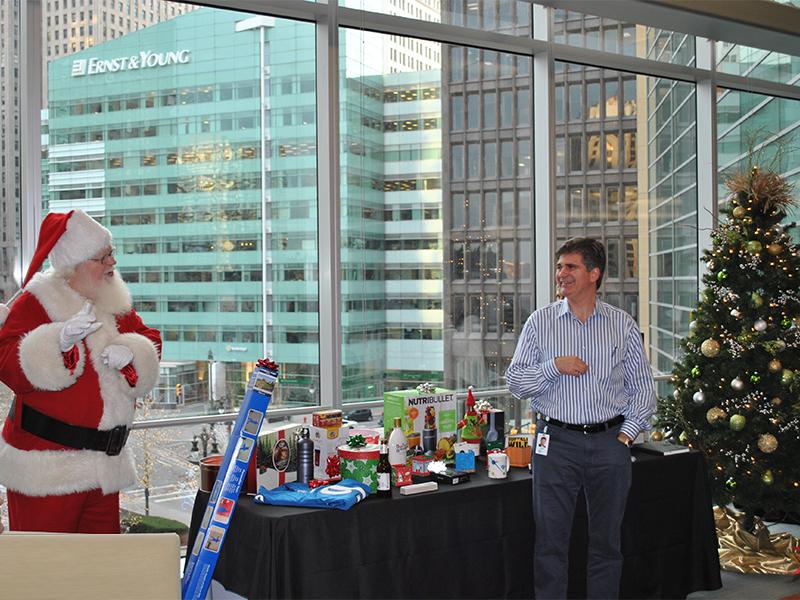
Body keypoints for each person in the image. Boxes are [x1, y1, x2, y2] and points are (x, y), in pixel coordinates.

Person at [506, 237, 655, 599]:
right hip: (555, 444)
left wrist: (625, 436)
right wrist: (553, 367)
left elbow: (643, 389)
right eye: (559, 267)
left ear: (594, 273)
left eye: (570, 267)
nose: (561, 274)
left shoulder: (621, 325)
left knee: (606, 543)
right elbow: (515, 383)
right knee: (550, 544)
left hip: (610, 443)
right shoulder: (540, 323)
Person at [0, 209, 162, 533]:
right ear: (76, 264)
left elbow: (150, 338)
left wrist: (131, 352)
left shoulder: (111, 300)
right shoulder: (34, 303)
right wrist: (56, 343)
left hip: (103, 469)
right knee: (47, 573)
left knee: (99, 574)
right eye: (103, 257)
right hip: (47, 472)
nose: (112, 263)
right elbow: (7, 362)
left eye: (111, 254)